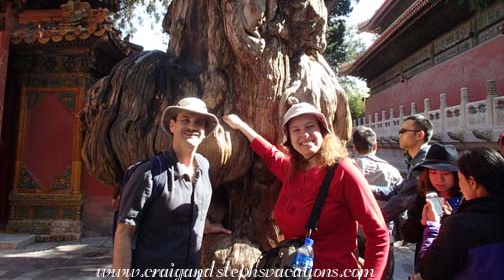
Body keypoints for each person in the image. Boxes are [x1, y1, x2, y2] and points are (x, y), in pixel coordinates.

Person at [223, 102, 389, 279]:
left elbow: (378, 234)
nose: (304, 135)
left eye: (310, 127)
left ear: (323, 132)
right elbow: (270, 154)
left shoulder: (344, 172)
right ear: (289, 139)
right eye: (296, 130)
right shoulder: (292, 169)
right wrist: (241, 125)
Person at [113, 97, 230, 279]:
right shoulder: (149, 173)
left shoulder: (204, 166)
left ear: (205, 131)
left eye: (198, 122)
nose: (192, 126)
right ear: (172, 126)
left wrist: (205, 225)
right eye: (185, 120)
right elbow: (123, 234)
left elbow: (192, 204)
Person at [417, 147, 504, 279]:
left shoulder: (459, 226)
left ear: (472, 183)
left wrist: (433, 227)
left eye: (459, 178)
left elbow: (429, 270)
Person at [351, 126, 403, 280]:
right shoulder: (392, 171)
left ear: (354, 147)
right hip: (383, 231)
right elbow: (401, 204)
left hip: (354, 234)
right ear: (375, 146)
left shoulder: (345, 168)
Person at [401, 143, 462, 271]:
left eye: (446, 174)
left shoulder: (465, 199)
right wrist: (422, 223)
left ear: (456, 175)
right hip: (426, 264)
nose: (439, 179)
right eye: (433, 173)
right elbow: (408, 235)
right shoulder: (423, 198)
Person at [371, 115, 434, 223]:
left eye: (403, 131)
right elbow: (397, 191)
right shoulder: (415, 161)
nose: (399, 135)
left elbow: (401, 200)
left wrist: (372, 221)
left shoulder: (423, 164)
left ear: (419, 135)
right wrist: (367, 188)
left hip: (423, 229)